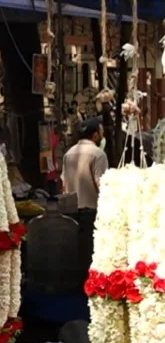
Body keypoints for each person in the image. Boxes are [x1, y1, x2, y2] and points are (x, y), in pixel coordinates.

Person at [61, 117, 108, 281]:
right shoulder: (98, 154)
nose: (103, 134)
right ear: (95, 135)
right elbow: (102, 184)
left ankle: (75, 283)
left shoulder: (68, 154)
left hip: (70, 210)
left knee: (74, 250)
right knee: (89, 251)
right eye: (101, 131)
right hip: (91, 210)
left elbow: (64, 183)